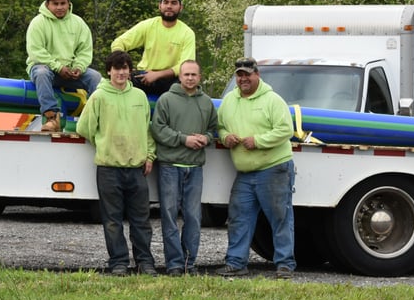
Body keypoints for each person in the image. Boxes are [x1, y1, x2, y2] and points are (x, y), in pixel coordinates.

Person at [76, 50, 158, 276]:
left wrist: (149, 155)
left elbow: (147, 130)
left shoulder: (140, 97)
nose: (121, 73)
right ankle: (118, 262)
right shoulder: (99, 97)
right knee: (112, 220)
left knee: (141, 220)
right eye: (116, 68)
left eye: (125, 68)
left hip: (137, 169)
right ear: (109, 71)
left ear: (130, 71)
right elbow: (84, 128)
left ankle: (145, 262)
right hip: (109, 168)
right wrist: (104, 142)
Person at [216, 57, 296, 279]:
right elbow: (220, 126)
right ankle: (236, 262)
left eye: (247, 75)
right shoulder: (229, 101)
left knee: (280, 217)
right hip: (245, 172)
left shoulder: (272, 100)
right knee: (239, 217)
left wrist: (258, 141)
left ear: (257, 75)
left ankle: (285, 265)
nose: (243, 79)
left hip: (273, 168)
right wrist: (225, 137)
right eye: (239, 75)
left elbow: (285, 130)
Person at [150, 59, 218, 276]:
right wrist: (183, 139)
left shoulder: (207, 102)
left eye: (194, 75)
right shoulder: (166, 100)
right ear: (179, 76)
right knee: (169, 216)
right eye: (186, 74)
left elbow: (213, 129)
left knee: (193, 217)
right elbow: (158, 129)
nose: (190, 78)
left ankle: (190, 263)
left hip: (195, 167)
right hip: (170, 166)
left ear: (200, 77)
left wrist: (206, 138)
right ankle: (174, 264)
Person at [26, 0, 102, 132]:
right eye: (55, 4)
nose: (59, 7)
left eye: (63, 3)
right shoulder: (38, 23)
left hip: (71, 71)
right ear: (48, 4)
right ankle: (51, 117)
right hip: (46, 69)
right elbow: (36, 52)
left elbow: (85, 50)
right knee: (41, 72)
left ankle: (95, 118)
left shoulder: (78, 23)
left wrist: (79, 67)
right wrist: (58, 67)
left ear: (69, 4)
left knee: (95, 77)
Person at [111, 0, 195, 96]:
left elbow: (186, 66)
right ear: (159, 5)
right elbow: (118, 43)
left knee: (187, 83)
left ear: (180, 7)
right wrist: (123, 65)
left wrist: (157, 75)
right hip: (144, 75)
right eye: (165, 2)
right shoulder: (148, 25)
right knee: (120, 78)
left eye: (174, 3)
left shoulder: (187, 33)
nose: (169, 6)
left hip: (171, 80)